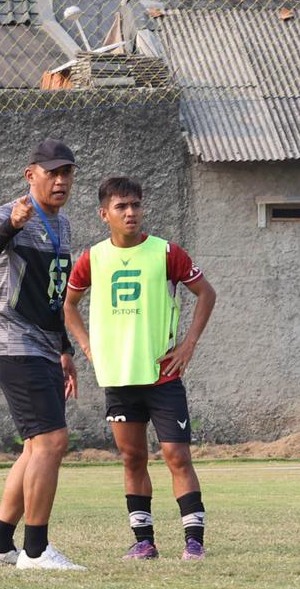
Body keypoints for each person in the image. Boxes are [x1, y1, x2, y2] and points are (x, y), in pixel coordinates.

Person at [64, 177, 217, 559]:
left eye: (135, 205)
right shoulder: (92, 258)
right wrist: (86, 345)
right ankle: (144, 542)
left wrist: (188, 345)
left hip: (162, 375)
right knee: (132, 458)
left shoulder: (166, 252)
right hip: (118, 377)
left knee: (176, 455)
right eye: (121, 207)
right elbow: (68, 305)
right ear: (105, 214)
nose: (130, 212)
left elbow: (206, 293)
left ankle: (194, 543)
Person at [0, 139, 84, 571]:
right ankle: (35, 551)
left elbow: (53, 297)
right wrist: (12, 226)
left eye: (67, 173)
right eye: (52, 172)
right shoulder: (13, 211)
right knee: (53, 442)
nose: (60, 180)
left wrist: (64, 349)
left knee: (35, 446)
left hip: (42, 345)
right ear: (30, 174)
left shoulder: (64, 226)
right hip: (11, 340)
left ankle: (0, 546)